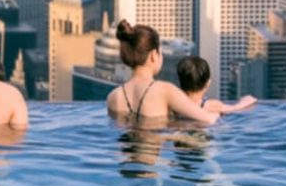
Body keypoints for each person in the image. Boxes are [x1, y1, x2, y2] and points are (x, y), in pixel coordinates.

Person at [105, 21, 256, 125]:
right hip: (155, 168)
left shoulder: (113, 96)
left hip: (126, 168)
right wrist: (239, 105)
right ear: (153, 55)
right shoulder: (164, 90)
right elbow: (209, 119)